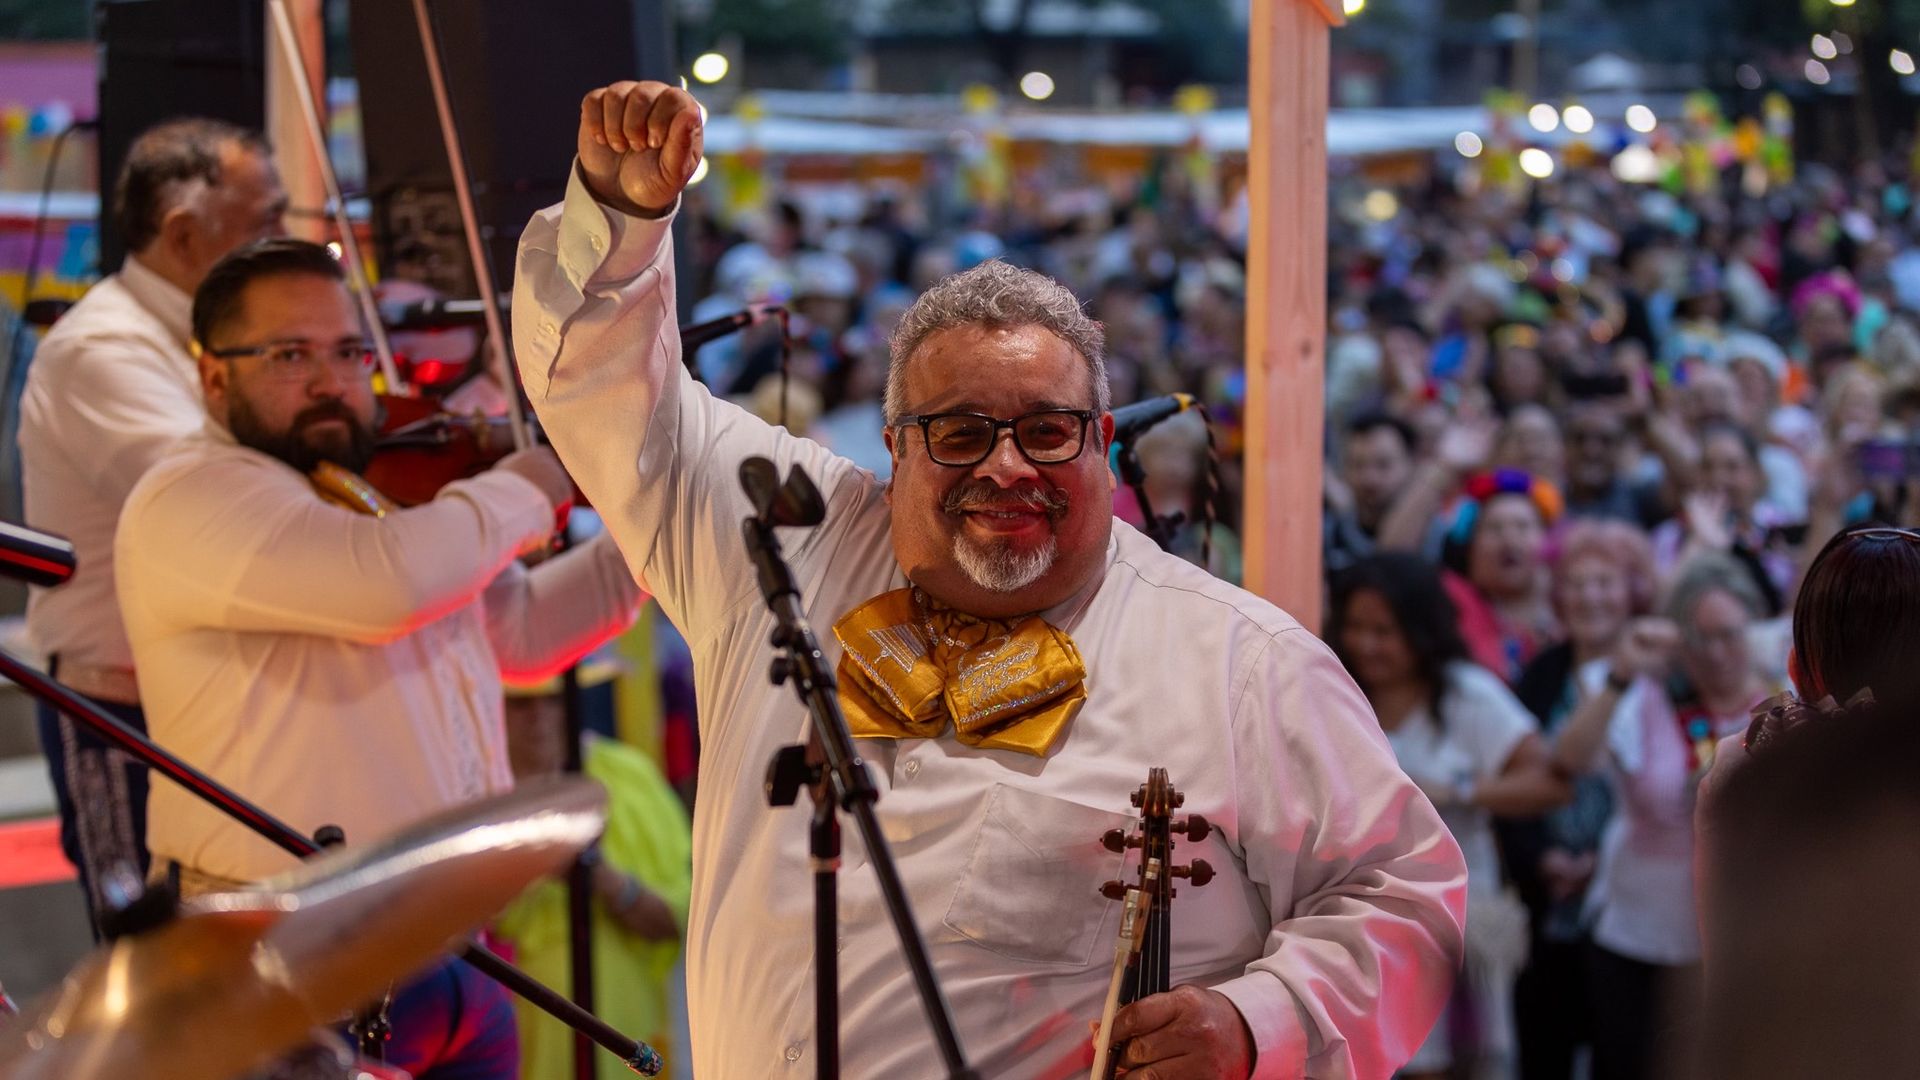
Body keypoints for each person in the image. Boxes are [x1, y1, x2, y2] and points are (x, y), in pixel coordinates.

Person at [512, 80, 1465, 1079]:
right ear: (893, 450)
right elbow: (615, 403)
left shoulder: (1238, 662)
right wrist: (619, 225)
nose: (1006, 467)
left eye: (1047, 432)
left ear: (1103, 441)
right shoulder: (787, 543)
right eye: (961, 433)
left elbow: (1403, 888)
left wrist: (1253, 1023)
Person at [115, 238, 645, 1078]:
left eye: (351, 352)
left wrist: (656, 522)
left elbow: (516, 634)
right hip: (283, 959)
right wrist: (529, 484)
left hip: (446, 946)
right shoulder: (191, 494)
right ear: (214, 377)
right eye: (291, 354)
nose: (332, 380)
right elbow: (391, 585)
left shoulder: (358, 500)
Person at [18, 117, 288, 932]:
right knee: (157, 980)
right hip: (120, 714)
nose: (281, 241)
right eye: (266, 222)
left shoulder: (205, 334)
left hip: (212, 706)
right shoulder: (102, 349)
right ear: (182, 235)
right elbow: (214, 503)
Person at [1328, 553, 1568, 1080]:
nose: (1367, 644)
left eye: (1384, 631)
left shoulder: (1468, 696)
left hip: (1452, 927)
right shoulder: (1334, 691)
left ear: (1421, 630)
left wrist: (1460, 790)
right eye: (1357, 627)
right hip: (1356, 925)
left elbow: (1550, 781)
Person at [1549, 553, 1773, 1080]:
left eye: (1729, 634)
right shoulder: (1647, 696)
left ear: (1753, 627)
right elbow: (1570, 758)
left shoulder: (1779, 703)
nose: (1717, 653)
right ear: (1678, 640)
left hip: (1733, 935)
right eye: (1699, 639)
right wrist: (1622, 673)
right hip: (1636, 930)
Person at [1506, 520, 1658, 1080]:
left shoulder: (1660, 674)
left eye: (1606, 582)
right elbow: (1513, 772)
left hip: (1628, 893)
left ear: (1634, 590)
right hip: (1548, 898)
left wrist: (1601, 858)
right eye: (1577, 583)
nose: (1590, 596)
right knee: (1543, 1045)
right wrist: (1541, 857)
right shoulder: (1541, 673)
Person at [495, 662, 693, 1080]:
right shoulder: (475, 787)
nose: (540, 717)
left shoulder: (628, 776)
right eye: (522, 703)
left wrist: (599, 875)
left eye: (552, 700)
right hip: (508, 1044)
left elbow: (683, 915)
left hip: (622, 1037)